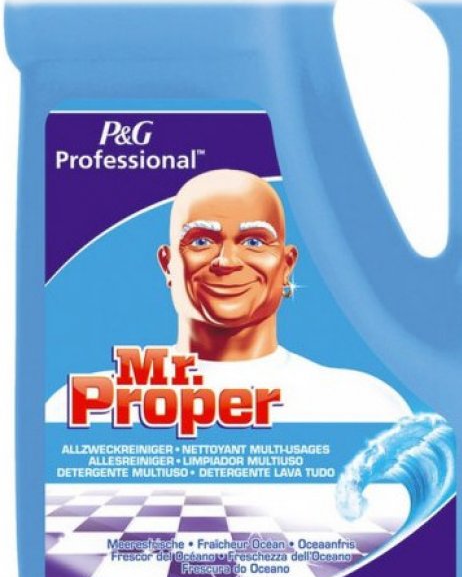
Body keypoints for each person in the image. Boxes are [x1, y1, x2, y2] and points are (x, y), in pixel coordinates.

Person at [157, 169, 410, 422]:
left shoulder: (363, 405)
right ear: (168, 265)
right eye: (201, 241)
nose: (227, 261)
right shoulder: (131, 401)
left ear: (287, 265)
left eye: (254, 242)